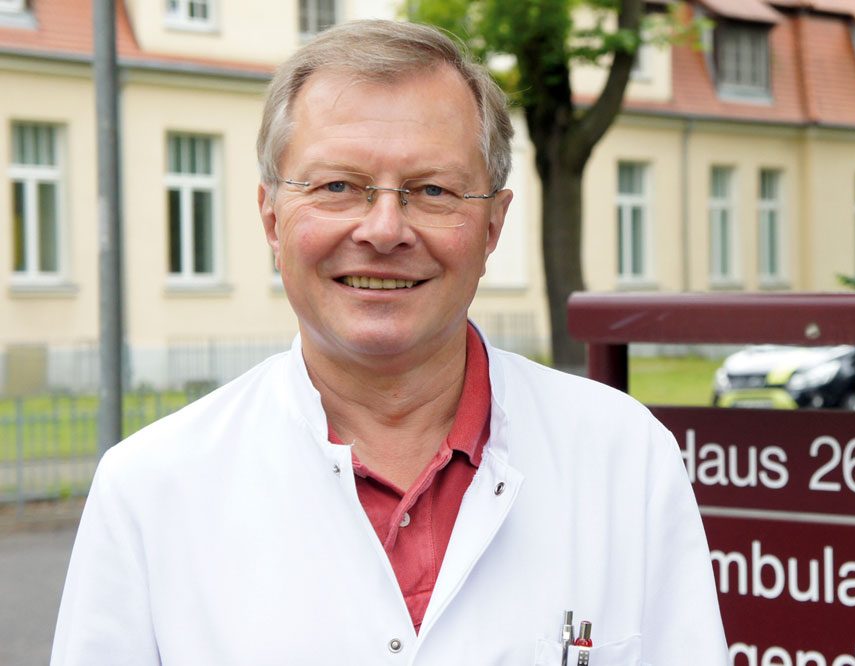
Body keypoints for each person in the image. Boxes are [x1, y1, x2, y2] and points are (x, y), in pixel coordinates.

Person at [52, 19, 727, 665]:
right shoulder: (149, 491)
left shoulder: (625, 457)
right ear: (271, 219)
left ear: (493, 225)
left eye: (431, 190)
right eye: (338, 186)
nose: (383, 229)